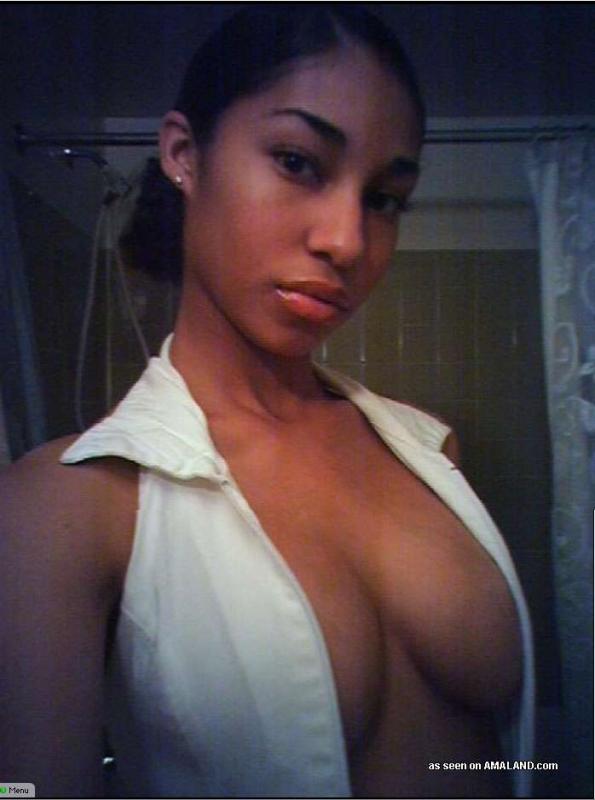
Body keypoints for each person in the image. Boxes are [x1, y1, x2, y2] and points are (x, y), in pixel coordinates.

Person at [1, 5, 534, 798]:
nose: (346, 241)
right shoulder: (67, 508)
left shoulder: (429, 453)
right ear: (184, 155)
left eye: (385, 198)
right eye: (297, 161)